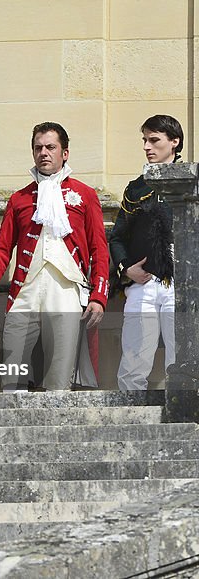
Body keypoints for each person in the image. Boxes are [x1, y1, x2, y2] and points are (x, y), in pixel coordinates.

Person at [0, 122, 110, 391]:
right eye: (38, 148)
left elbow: (99, 249)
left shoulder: (85, 194)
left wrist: (99, 296)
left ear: (64, 153)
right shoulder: (19, 199)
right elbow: (1, 248)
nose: (43, 153)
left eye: (50, 147)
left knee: (60, 373)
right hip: (25, 289)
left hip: (66, 288)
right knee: (13, 366)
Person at [109, 115, 181, 390]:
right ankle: (130, 416)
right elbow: (117, 237)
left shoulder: (193, 181)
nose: (147, 147)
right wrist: (127, 269)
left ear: (174, 142)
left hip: (180, 281)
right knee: (133, 358)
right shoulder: (136, 187)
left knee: (182, 356)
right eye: (145, 140)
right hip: (143, 281)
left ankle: (184, 413)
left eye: (154, 140)